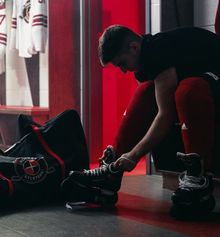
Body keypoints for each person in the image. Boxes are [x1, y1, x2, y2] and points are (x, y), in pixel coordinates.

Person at [62, 25, 220, 215]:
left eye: (121, 63)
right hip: (204, 83)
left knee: (188, 90)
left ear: (134, 47)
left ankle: (199, 176)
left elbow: (165, 115)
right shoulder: (144, 63)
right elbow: (154, 109)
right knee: (145, 92)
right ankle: (111, 173)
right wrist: (124, 156)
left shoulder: (158, 50)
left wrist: (135, 155)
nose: (123, 71)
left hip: (212, 76)